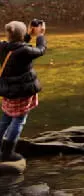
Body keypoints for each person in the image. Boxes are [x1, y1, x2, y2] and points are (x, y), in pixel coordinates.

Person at [0, 20, 46, 163]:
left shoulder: (2, 47)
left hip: (7, 91)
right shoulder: (25, 51)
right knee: (19, 120)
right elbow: (41, 50)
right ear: (22, 34)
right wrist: (40, 35)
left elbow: (17, 45)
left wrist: (27, 35)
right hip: (21, 92)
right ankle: (7, 153)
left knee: (6, 118)